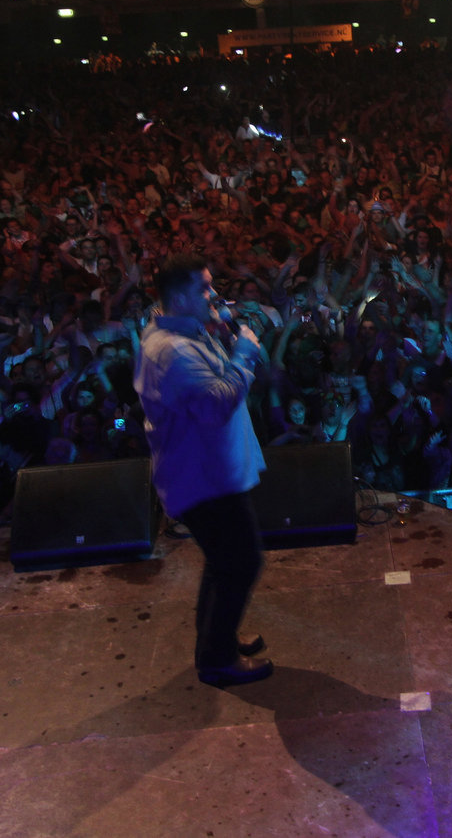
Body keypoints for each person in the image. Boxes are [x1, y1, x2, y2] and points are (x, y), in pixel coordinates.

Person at [135, 255, 271, 686]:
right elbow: (215, 405)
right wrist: (244, 355)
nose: (215, 295)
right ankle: (216, 660)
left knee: (224, 561)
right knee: (241, 563)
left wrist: (220, 335)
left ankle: (218, 640)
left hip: (209, 470)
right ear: (179, 297)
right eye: (205, 289)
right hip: (203, 478)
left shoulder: (181, 332)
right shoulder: (172, 351)